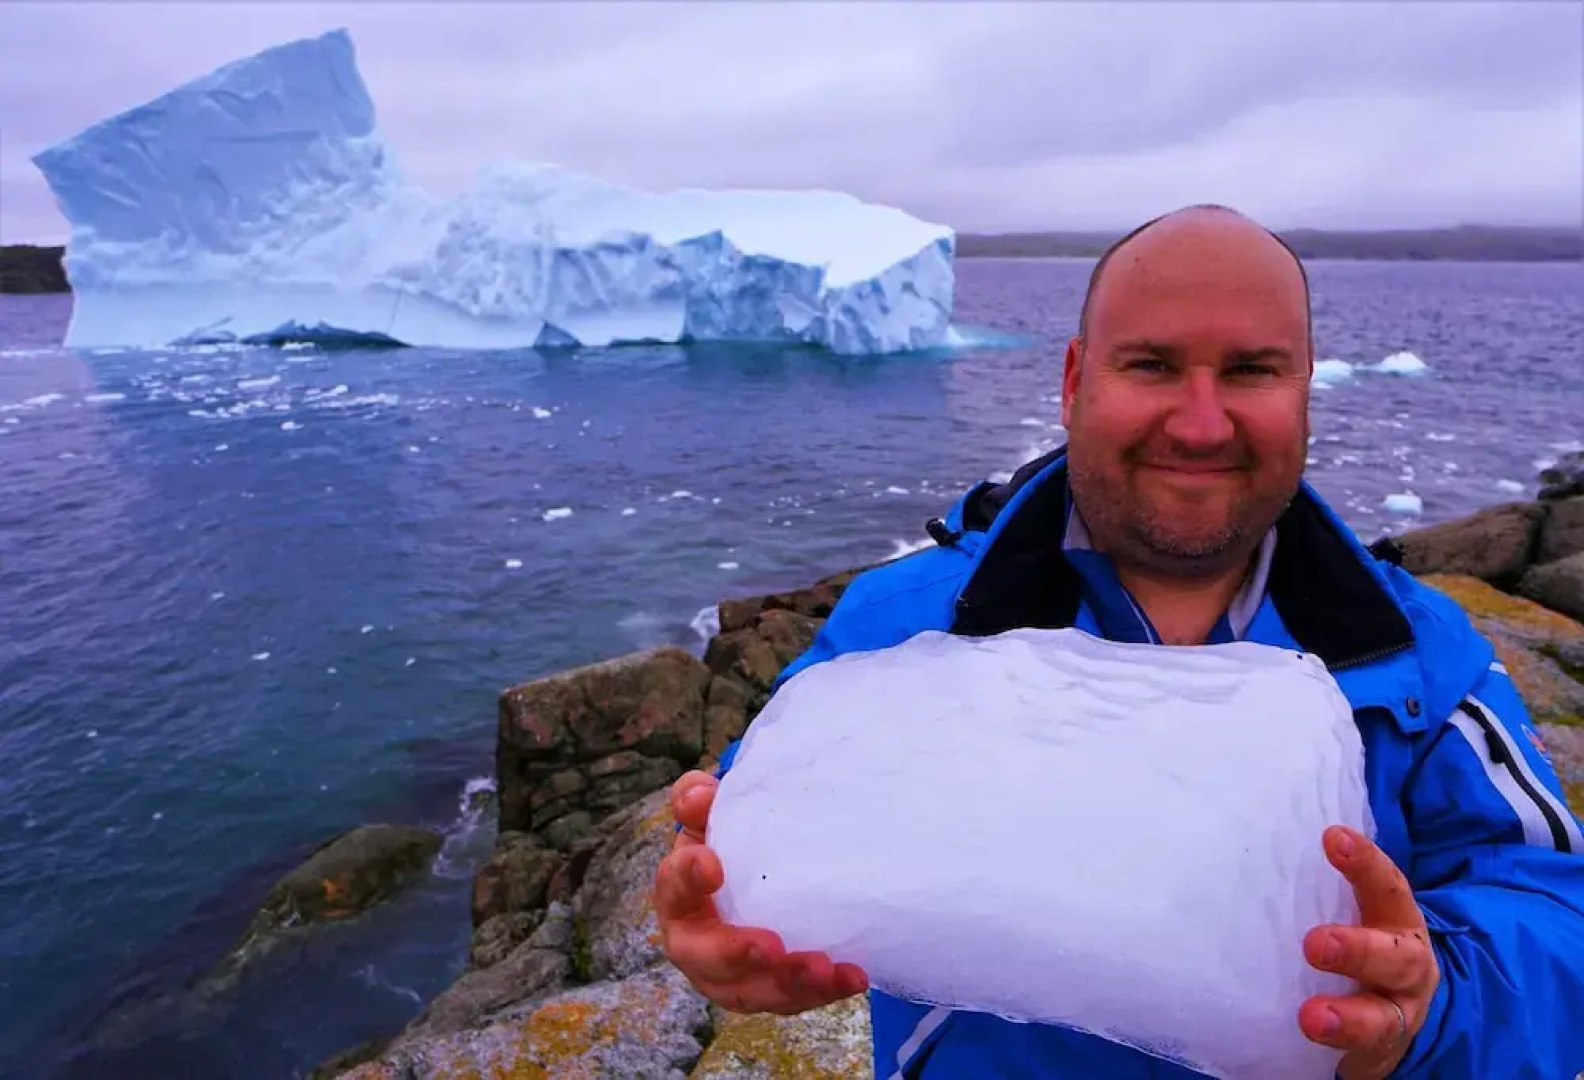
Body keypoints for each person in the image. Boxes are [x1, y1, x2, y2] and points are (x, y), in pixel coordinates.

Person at [651, 205, 1584, 1079]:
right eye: (1152, 365)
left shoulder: (1413, 657)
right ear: (1073, 382)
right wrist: (719, 929)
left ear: (1305, 389)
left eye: (1252, 371)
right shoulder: (900, 629)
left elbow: (1555, 916)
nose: (1201, 422)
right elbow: (757, 843)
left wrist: (1433, 1006)